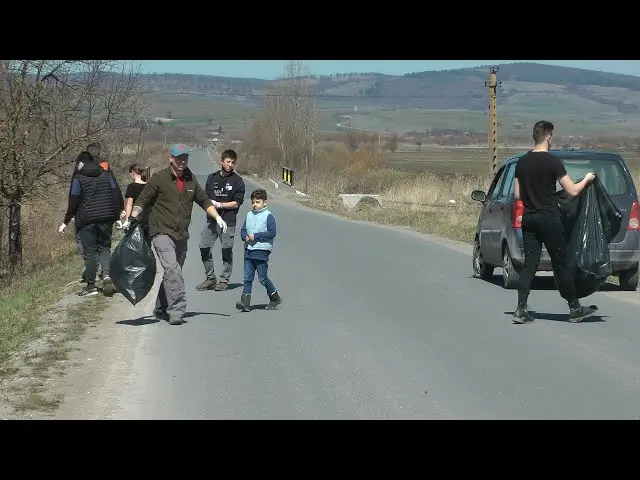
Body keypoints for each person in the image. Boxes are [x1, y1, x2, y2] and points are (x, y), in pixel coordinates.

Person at [123, 143, 228, 326]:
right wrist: (130, 219)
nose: (182, 161)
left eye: (185, 157)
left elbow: (203, 200)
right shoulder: (159, 178)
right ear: (171, 158)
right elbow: (143, 199)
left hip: (181, 234)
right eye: (179, 157)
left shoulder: (190, 180)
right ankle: (177, 310)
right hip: (161, 230)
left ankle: (160, 307)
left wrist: (218, 218)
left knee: (173, 272)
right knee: (173, 269)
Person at [513, 120, 598, 324]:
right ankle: (575, 309)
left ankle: (520, 309)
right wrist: (587, 179)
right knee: (560, 263)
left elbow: (517, 194)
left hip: (529, 220)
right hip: (549, 220)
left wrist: (533, 196)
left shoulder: (522, 162)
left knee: (529, 265)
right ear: (549, 138)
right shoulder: (552, 162)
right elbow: (573, 191)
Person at [59, 150, 124, 297]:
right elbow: (115, 195)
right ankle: (107, 275)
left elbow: (73, 202)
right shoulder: (106, 175)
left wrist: (66, 221)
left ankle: (91, 286)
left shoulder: (78, 178)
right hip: (106, 217)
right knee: (105, 248)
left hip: (87, 220)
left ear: (81, 163)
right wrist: (117, 216)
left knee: (90, 252)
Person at [197, 149, 246, 291]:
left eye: (233, 162)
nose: (230, 165)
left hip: (228, 221)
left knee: (226, 250)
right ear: (222, 161)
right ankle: (210, 278)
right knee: (203, 247)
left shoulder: (237, 181)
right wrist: (211, 207)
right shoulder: (212, 178)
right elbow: (205, 199)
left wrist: (220, 204)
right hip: (212, 221)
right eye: (228, 162)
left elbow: (237, 202)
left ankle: (224, 280)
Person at [236, 188, 282, 312]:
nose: (254, 205)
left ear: (265, 202)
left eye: (258, 202)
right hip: (249, 250)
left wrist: (256, 236)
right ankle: (245, 302)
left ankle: (275, 297)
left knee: (262, 278)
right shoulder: (249, 215)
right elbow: (243, 229)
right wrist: (244, 236)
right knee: (247, 277)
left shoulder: (269, 216)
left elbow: (272, 232)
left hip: (261, 251)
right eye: (253, 202)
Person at [120, 163, 151, 245]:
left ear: (132, 173)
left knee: (134, 243)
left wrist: (127, 220)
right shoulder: (148, 186)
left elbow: (129, 204)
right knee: (147, 243)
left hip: (136, 218)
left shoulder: (131, 186)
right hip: (148, 219)